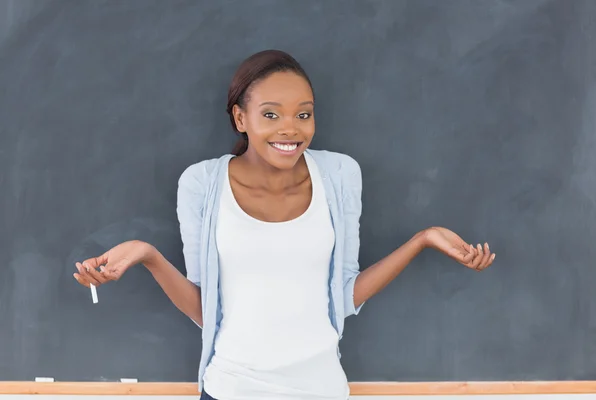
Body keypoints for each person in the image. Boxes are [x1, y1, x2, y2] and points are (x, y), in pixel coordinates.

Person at [73, 49, 495, 400]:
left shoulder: (339, 175)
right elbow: (207, 310)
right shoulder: (201, 184)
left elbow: (343, 296)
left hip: (321, 388)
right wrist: (147, 255)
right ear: (241, 118)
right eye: (271, 115)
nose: (291, 129)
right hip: (232, 389)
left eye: (303, 114)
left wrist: (422, 241)